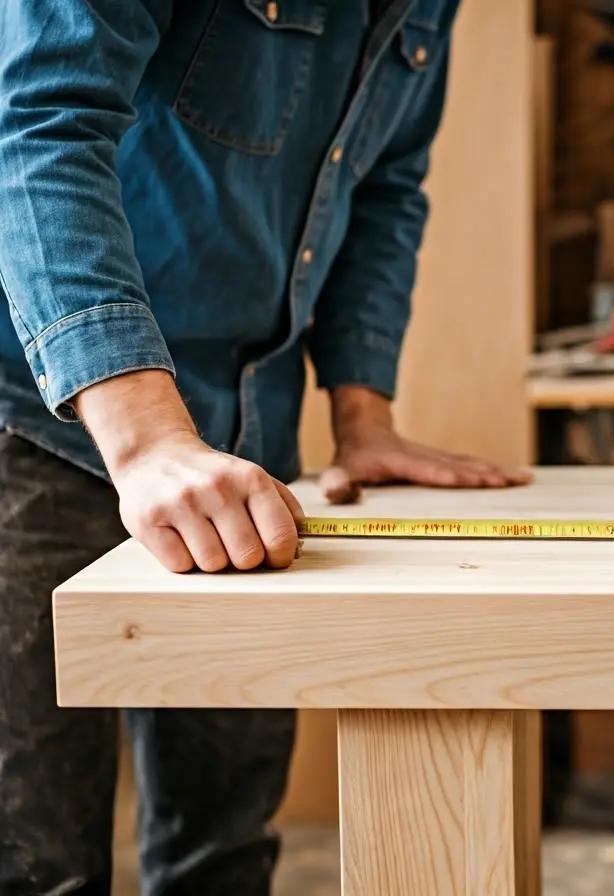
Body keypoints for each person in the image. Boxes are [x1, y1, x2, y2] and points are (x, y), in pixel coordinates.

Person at [0, 1, 529, 892]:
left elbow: (386, 183)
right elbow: (38, 124)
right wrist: (148, 436)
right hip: (34, 411)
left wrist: (362, 414)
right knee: (35, 861)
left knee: (225, 852)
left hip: (243, 441)